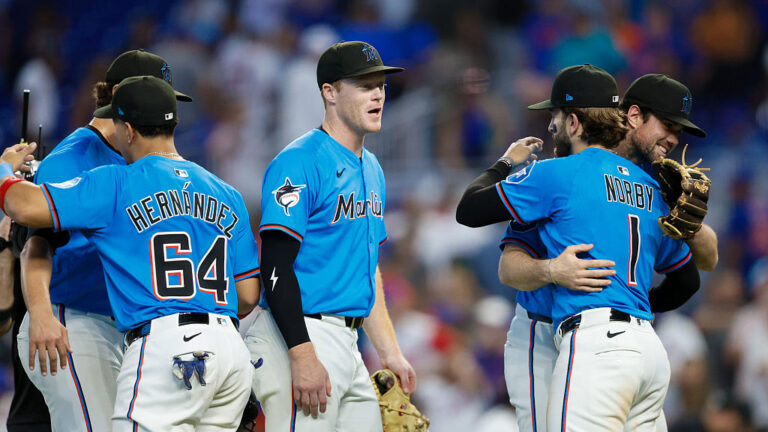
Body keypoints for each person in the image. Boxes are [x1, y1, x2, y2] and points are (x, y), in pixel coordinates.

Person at [0, 75, 261, 431]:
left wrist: (4, 169)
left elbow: (22, 205)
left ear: (128, 130)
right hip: (230, 352)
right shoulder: (226, 192)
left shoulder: (117, 182)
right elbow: (247, 295)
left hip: (169, 346)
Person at [456, 64, 700, 431]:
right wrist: (632, 305)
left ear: (573, 121)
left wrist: (505, 163)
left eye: (554, 115)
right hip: (647, 347)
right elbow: (687, 282)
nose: (550, 125)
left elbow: (469, 209)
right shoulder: (651, 190)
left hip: (595, 341)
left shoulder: (555, 174)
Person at [16, 49, 193, 432]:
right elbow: (37, 244)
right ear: (116, 96)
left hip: (119, 328)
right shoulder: (72, 158)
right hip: (71, 319)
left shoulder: (138, 157)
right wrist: (43, 315)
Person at [246, 40, 416, 432]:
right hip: (301, 334)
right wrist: (301, 352)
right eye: (364, 85)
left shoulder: (372, 168)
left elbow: (366, 268)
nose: (377, 94)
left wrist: (389, 352)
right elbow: (274, 267)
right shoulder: (299, 161)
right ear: (330, 92)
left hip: (350, 344)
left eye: (381, 85)